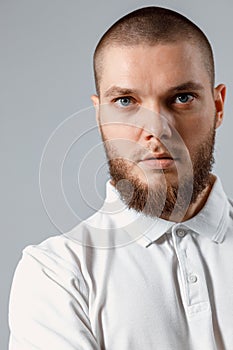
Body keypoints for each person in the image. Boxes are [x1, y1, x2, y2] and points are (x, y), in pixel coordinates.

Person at [8, 6, 233, 350]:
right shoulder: (57, 275)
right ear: (99, 114)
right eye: (126, 101)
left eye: (182, 98)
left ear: (218, 107)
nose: (157, 129)